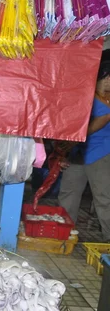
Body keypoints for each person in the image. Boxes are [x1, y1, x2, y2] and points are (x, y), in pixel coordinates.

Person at [59, 61, 110, 241]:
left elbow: (104, 118)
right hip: (77, 154)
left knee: (104, 198)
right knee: (68, 193)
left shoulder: (104, 102)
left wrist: (75, 138)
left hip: (102, 154)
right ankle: (63, 232)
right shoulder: (85, 97)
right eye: (104, 78)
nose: (108, 82)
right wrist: (65, 149)